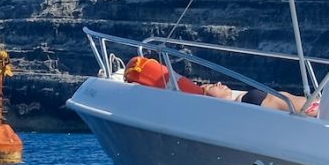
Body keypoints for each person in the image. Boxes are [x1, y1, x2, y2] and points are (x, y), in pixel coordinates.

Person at [122, 53, 316, 115]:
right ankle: (319, 108)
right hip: (249, 103)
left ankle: (319, 107)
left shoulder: (205, 99)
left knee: (285, 99)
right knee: (281, 99)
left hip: (249, 103)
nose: (219, 82)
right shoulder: (202, 103)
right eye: (210, 86)